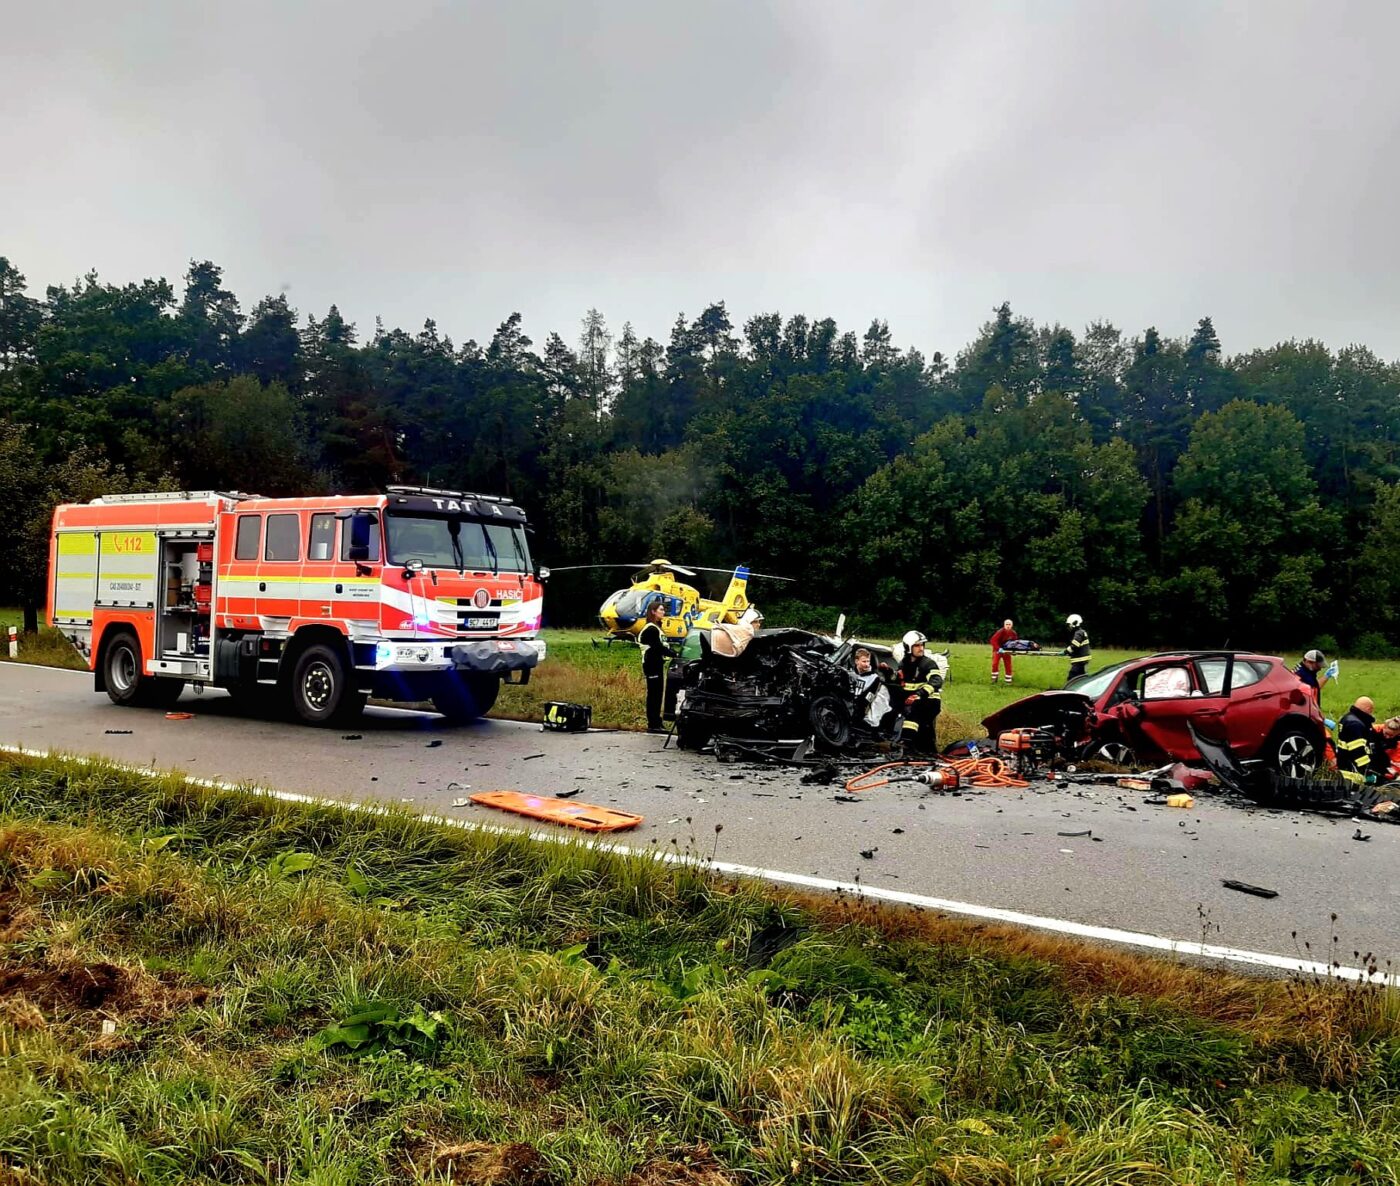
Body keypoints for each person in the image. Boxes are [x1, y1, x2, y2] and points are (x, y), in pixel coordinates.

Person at [893, 630, 943, 753]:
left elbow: (936, 680)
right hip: (913, 699)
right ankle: (927, 752)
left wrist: (919, 694)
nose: (921, 648)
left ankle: (906, 742)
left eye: (922, 645)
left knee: (913, 713)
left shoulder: (928, 663)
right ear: (908, 647)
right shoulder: (904, 664)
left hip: (929, 701)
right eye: (917, 645)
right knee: (924, 731)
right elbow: (901, 683)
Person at [637, 600, 675, 733]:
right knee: (654, 694)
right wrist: (673, 654)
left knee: (658, 693)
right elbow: (658, 647)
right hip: (651, 664)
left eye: (664, 610)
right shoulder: (650, 629)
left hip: (658, 664)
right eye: (660, 610)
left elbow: (662, 646)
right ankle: (653, 723)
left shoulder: (657, 628)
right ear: (653, 611)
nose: (663, 612)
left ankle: (656, 722)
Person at [1336, 696, 1377, 785]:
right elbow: (1357, 751)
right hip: (1353, 774)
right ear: (1368, 708)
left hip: (1346, 769)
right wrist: (1367, 771)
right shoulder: (1355, 724)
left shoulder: (1348, 718)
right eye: (1371, 710)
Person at [1061, 614, 1091, 683]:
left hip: (1080, 660)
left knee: (1072, 677)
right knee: (1081, 678)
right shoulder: (1082, 632)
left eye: (1069, 624)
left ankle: (1068, 691)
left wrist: (1065, 652)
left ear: (1074, 623)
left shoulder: (1078, 633)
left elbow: (1074, 645)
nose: (1069, 626)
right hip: (1082, 660)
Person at [989, 618, 1017, 685]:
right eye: (1006, 624)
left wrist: (1014, 651)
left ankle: (1008, 681)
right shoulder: (1000, 632)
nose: (1008, 626)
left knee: (1008, 665)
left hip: (1007, 650)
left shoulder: (1013, 633)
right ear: (1004, 625)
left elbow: (1015, 643)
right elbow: (993, 640)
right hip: (998, 650)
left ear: (1012, 625)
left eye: (1009, 624)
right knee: (995, 664)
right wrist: (998, 649)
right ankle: (994, 678)